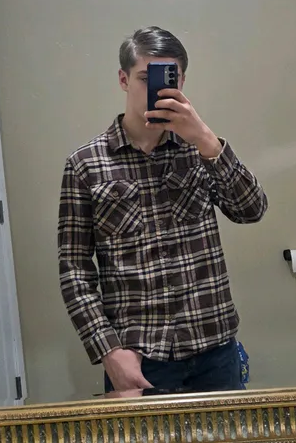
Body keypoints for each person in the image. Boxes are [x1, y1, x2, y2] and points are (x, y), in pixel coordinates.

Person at [58, 27, 267, 397]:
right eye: (145, 78)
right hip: (140, 357)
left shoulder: (199, 150)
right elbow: (75, 269)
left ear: (181, 81)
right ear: (123, 80)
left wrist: (206, 140)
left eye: (169, 78)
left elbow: (251, 209)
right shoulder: (85, 165)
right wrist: (109, 351)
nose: (155, 89)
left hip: (214, 347)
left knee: (226, 437)